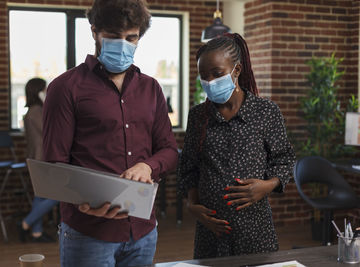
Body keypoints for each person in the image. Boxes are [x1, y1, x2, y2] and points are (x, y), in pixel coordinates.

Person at [42, 0, 178, 266]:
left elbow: (170, 151)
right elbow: (53, 165)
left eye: (131, 38)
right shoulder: (65, 88)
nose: (124, 45)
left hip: (143, 232)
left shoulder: (152, 89)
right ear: (95, 32)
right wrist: (82, 202)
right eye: (114, 37)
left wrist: (148, 166)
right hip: (87, 233)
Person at [177, 33, 296, 259]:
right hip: (210, 231)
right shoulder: (198, 116)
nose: (210, 82)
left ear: (237, 70)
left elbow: (285, 159)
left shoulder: (266, 112)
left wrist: (267, 185)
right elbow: (188, 167)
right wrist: (192, 204)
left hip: (255, 231)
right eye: (204, 76)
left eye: (217, 74)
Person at [18, 77, 58, 243]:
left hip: (40, 159)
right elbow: (51, 131)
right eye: (45, 89)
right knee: (57, 195)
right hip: (41, 160)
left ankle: (36, 232)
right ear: (38, 92)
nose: (47, 91)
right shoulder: (36, 111)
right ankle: (26, 223)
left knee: (40, 196)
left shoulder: (35, 110)